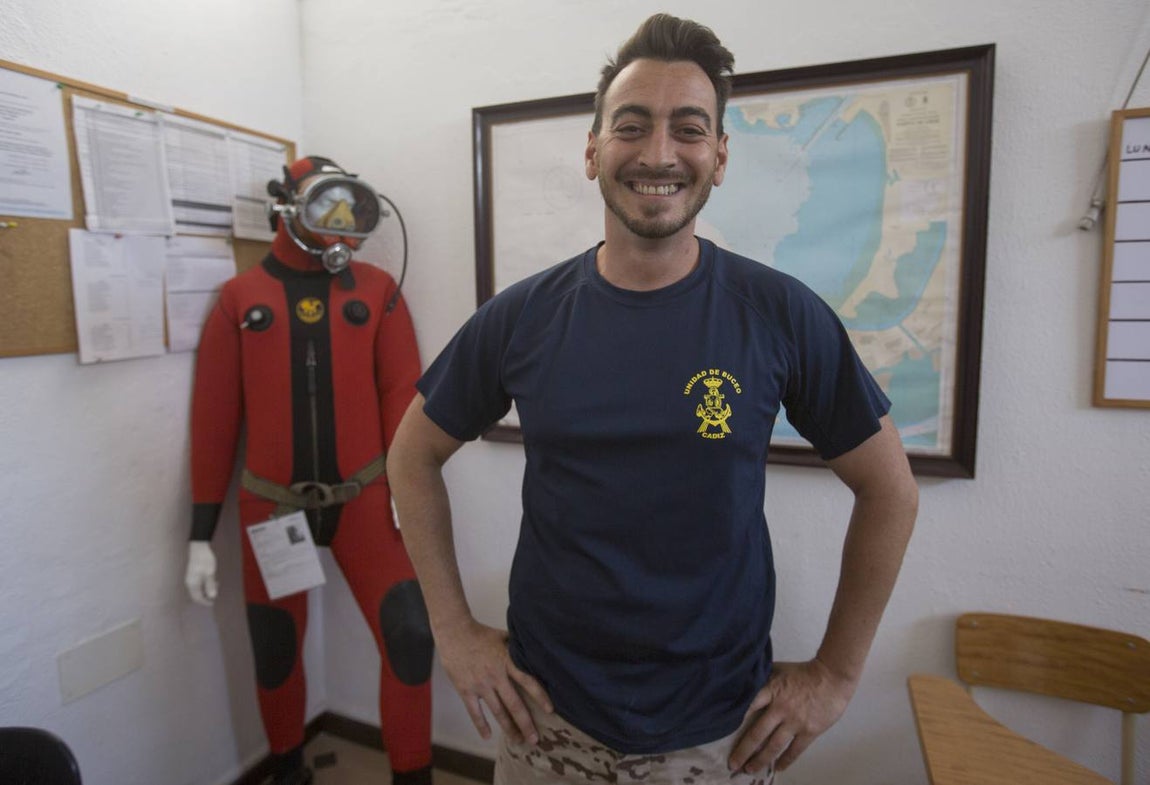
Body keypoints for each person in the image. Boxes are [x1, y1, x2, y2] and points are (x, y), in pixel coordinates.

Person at [387, 13, 918, 785]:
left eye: (689, 129)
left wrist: (835, 674)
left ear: (721, 156)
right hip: (544, 723)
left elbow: (890, 490)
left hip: (718, 732)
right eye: (631, 126)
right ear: (594, 150)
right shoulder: (524, 316)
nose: (660, 153)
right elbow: (411, 454)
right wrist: (456, 631)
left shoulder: (780, 313)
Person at [185, 156, 435, 785]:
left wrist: (409, 489)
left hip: (366, 496)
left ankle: (414, 776)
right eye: (327, 207)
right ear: (288, 206)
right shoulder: (240, 299)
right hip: (272, 505)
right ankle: (290, 770)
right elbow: (214, 420)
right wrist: (199, 532)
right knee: (274, 650)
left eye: (350, 211)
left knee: (409, 637)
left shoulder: (377, 291)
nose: (342, 227)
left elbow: (402, 394)